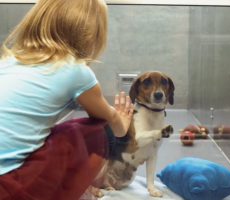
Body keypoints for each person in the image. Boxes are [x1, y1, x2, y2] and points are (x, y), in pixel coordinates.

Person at [0, 0, 133, 199]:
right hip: (10, 185)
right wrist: (122, 123)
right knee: (100, 131)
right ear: (89, 34)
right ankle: (87, 187)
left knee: (54, 130)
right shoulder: (74, 70)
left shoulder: (7, 61)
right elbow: (114, 125)